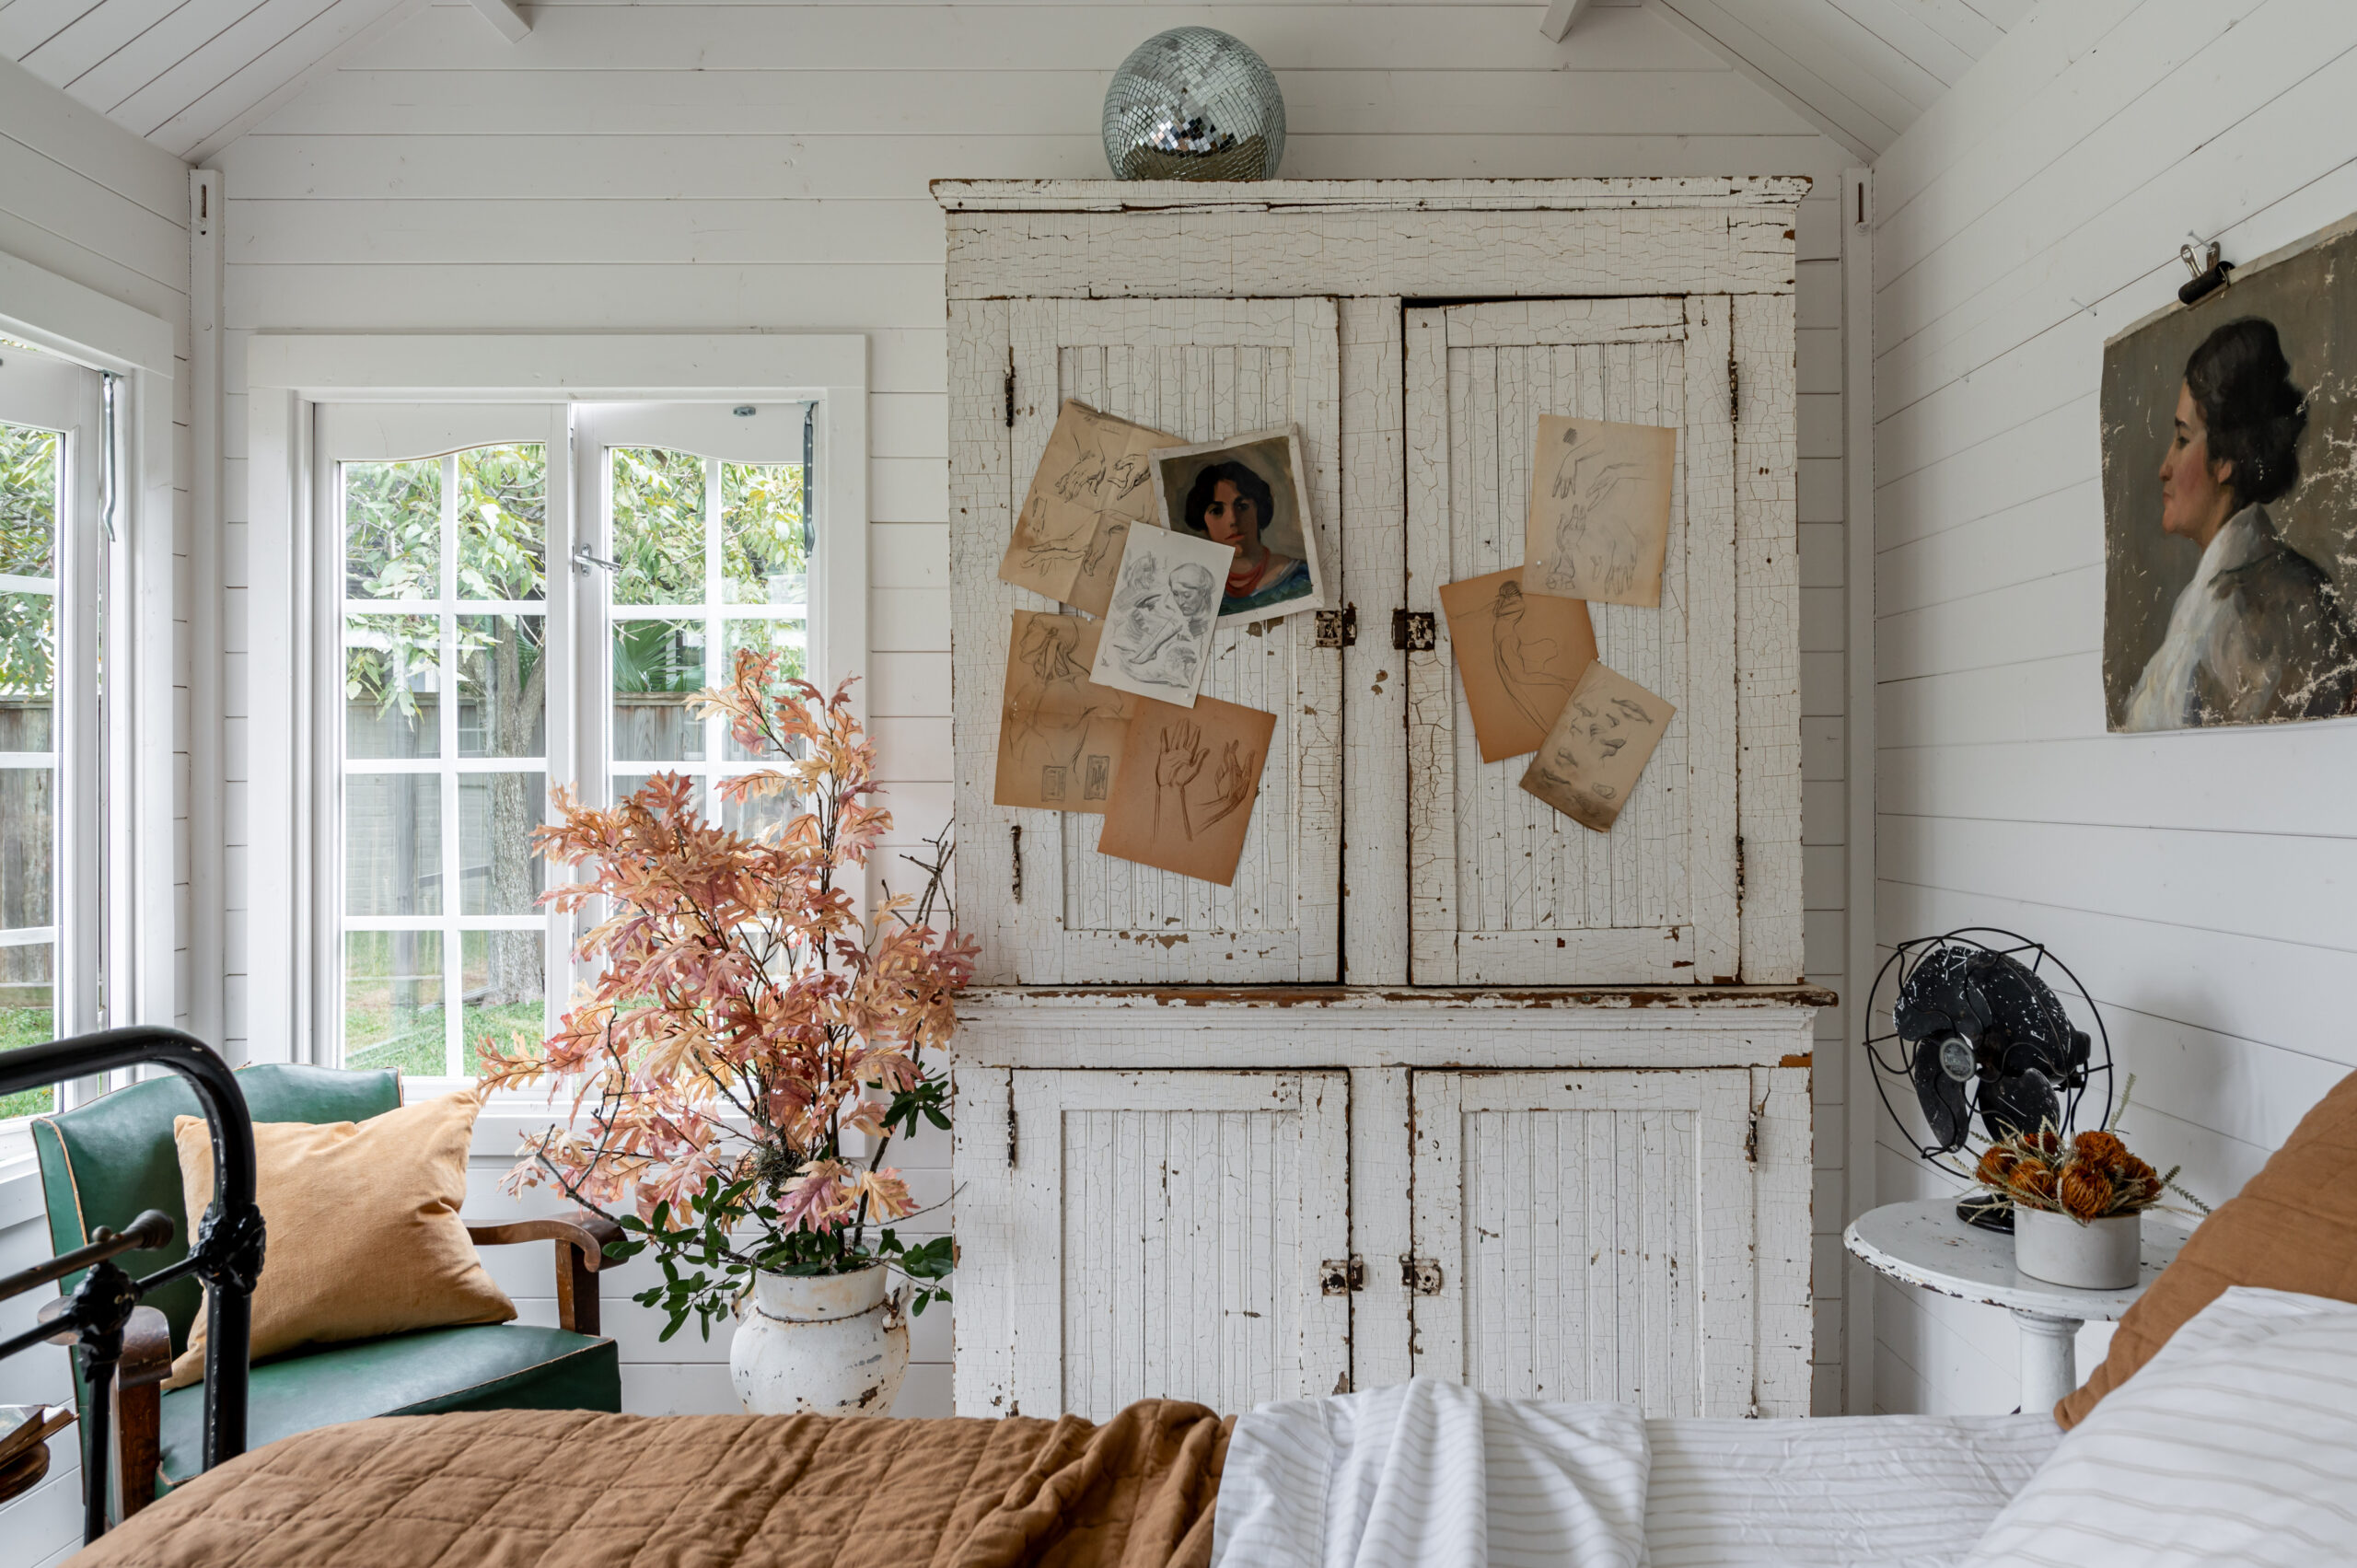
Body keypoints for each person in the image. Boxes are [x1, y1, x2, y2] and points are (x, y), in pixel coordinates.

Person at [2122, 318, 2357, 730]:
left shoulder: (2245, 614)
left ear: (2227, 458)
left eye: (2181, 439)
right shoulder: (2208, 597)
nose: (2164, 468)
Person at [1179, 459, 1313, 616]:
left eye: (1242, 506)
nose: (1233, 520)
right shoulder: (1191, 594)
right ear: (1203, 524)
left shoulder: (1299, 579)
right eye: (1217, 511)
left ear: (1259, 510)